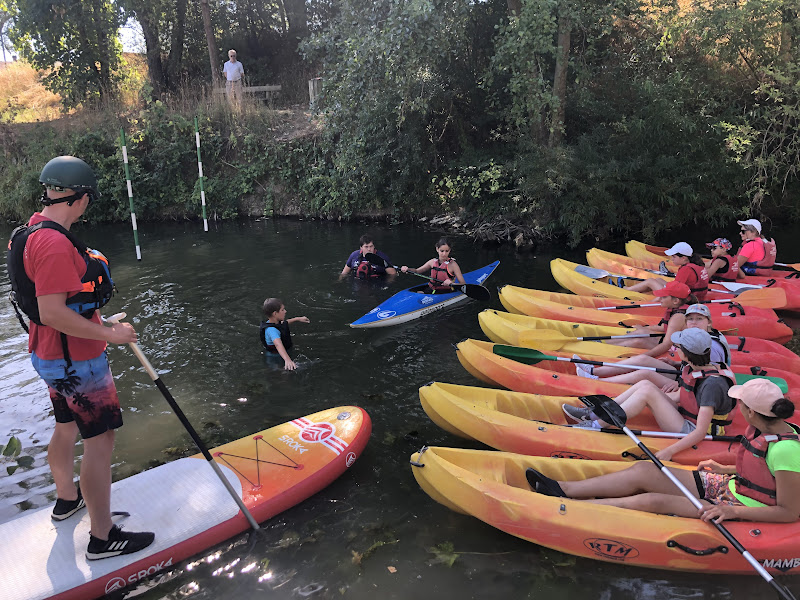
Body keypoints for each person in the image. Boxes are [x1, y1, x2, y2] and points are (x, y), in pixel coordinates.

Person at [6, 156, 154, 560]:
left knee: (65, 425)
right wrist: (113, 335)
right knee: (100, 439)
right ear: (81, 197)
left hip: (49, 355)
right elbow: (54, 311)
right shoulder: (54, 243)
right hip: (76, 361)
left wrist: (94, 315)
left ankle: (67, 499)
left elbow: (54, 302)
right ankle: (103, 538)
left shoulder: (29, 230)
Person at [533, 379, 800, 526]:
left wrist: (732, 513)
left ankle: (568, 509)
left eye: (740, 403)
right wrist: (726, 469)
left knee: (652, 501)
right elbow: (762, 470)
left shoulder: (786, 449)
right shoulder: (761, 427)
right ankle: (563, 489)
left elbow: (788, 511)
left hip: (741, 506)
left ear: (751, 412)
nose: (737, 406)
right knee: (645, 470)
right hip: (731, 486)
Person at [563, 328, 735, 462]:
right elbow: (683, 396)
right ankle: (595, 412)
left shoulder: (712, 385)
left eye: (678, 347)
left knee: (647, 391)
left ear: (687, 352)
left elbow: (700, 432)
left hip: (691, 429)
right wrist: (655, 398)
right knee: (646, 385)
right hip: (686, 416)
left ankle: (596, 424)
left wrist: (670, 450)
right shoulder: (694, 367)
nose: (674, 349)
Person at [570, 303, 731, 391]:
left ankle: (599, 384)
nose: (693, 323)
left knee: (644, 374)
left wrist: (681, 383)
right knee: (643, 359)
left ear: (709, 322)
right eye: (690, 319)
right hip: (685, 373)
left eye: (699, 319)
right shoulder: (700, 336)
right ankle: (594, 372)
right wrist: (675, 364)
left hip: (692, 384)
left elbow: (710, 375)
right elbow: (698, 364)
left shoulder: (712, 346)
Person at [607, 280, 697, 355]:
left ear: (676, 301)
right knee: (641, 332)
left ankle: (606, 349)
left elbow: (667, 345)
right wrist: (645, 328)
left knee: (638, 342)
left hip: (677, 353)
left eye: (664, 297)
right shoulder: (677, 309)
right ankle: (603, 343)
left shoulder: (678, 317)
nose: (660, 298)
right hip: (674, 345)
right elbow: (664, 327)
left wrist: (646, 355)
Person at [623, 242, 709, 301]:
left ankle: (627, 290)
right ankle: (637, 291)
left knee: (650, 281)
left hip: (687, 298)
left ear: (684, 258)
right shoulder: (697, 264)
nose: (672, 259)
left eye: (674, 257)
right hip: (694, 295)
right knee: (658, 280)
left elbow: (675, 291)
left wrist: (655, 300)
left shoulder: (686, 269)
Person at [260, 298, 310, 370]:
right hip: (275, 358)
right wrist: (287, 360)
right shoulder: (272, 330)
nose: (285, 311)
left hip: (284, 353)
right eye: (282, 310)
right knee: (284, 373)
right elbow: (278, 344)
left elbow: (284, 324)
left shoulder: (274, 322)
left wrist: (298, 319)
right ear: (275, 313)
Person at [401, 237, 466, 293]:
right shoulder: (432, 262)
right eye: (442, 251)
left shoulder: (453, 265)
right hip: (432, 289)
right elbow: (417, 271)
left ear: (450, 250)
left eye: (447, 251)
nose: (444, 254)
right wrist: (407, 269)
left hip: (446, 291)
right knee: (419, 292)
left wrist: (451, 283)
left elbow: (463, 284)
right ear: (437, 249)